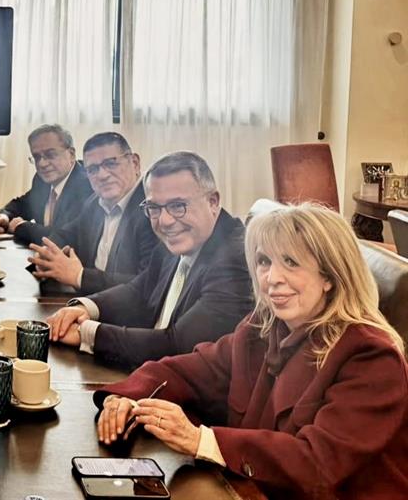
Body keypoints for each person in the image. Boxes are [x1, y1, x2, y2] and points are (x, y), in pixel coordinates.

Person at [93, 204, 408, 499]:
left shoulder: (370, 355)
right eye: (264, 262)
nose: (272, 279)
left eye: (291, 262)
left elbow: (317, 463)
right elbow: (189, 370)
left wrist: (201, 440)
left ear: (329, 276)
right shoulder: (263, 326)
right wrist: (125, 399)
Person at [45, 151, 252, 369]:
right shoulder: (176, 241)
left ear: (213, 202)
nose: (165, 221)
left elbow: (178, 346)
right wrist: (86, 308)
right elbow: (140, 290)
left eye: (177, 206)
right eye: (154, 208)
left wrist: (86, 333)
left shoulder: (236, 258)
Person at [28, 132, 158, 294]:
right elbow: (67, 233)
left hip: (123, 307)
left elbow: (148, 285)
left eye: (110, 163)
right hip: (89, 298)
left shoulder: (153, 211)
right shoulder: (94, 202)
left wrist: (80, 276)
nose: (102, 175)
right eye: (93, 169)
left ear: (135, 163)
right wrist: (47, 255)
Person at [0, 124, 92, 246]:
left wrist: (21, 227)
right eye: (36, 157)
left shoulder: (87, 184)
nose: (42, 164)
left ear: (71, 154)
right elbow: (23, 204)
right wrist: (4, 217)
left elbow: (64, 238)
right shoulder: (42, 179)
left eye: (50, 155)